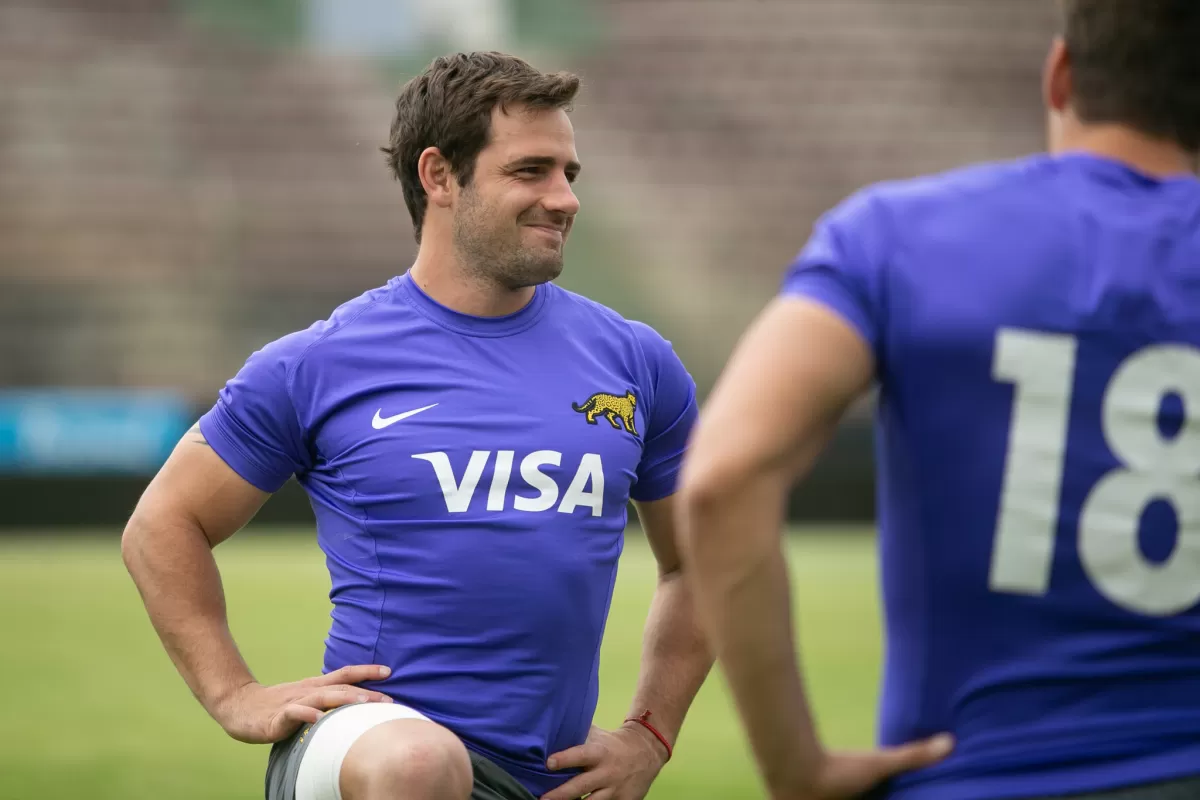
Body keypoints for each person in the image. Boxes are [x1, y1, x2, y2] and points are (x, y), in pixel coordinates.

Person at [122, 51, 712, 800]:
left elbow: (704, 558)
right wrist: (234, 693)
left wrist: (649, 735)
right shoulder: (321, 361)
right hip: (370, 750)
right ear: (438, 176)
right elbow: (162, 523)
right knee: (423, 765)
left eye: (570, 174)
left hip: (549, 777)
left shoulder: (636, 362)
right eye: (531, 171)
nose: (563, 198)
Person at [676, 1, 1200, 799]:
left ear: (1060, 75)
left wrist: (796, 768)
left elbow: (721, 477)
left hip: (974, 777)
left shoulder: (897, 237)